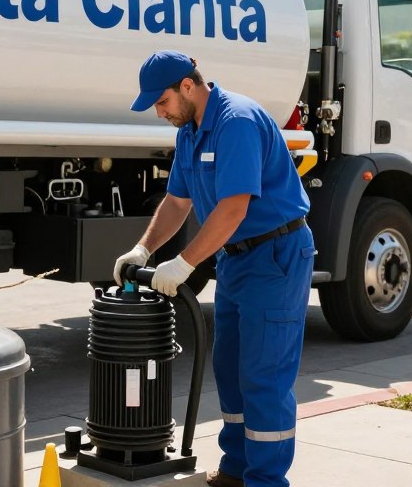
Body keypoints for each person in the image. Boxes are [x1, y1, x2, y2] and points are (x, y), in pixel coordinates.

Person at [114, 50, 314, 487]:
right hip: (237, 260)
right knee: (230, 368)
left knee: (264, 376)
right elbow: (177, 201)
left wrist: (184, 263)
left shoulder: (235, 121)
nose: (159, 111)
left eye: (161, 101)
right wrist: (143, 251)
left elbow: (234, 208)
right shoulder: (189, 130)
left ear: (187, 86)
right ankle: (237, 469)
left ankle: (266, 481)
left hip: (275, 256)